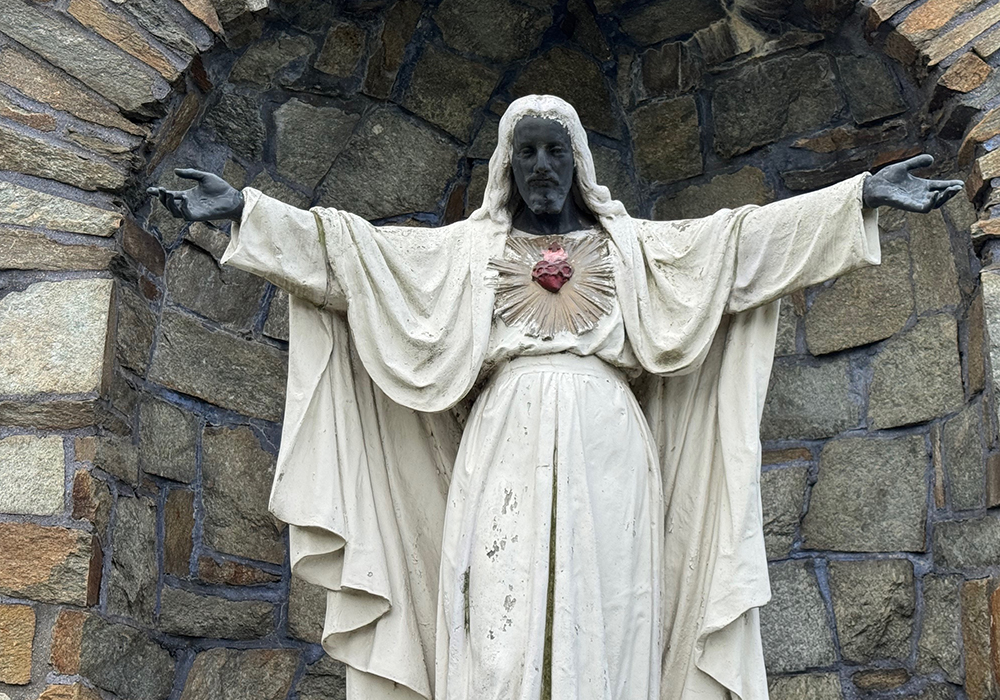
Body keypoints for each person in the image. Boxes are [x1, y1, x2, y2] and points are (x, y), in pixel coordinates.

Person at [149, 95, 964, 700]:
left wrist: (859, 196)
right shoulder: (467, 254)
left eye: (554, 151)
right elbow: (349, 255)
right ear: (508, 166)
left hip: (611, 453)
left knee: (607, 612)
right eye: (527, 152)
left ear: (577, 163)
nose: (541, 166)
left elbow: (744, 245)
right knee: (496, 617)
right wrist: (246, 213)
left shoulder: (635, 250)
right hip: (501, 448)